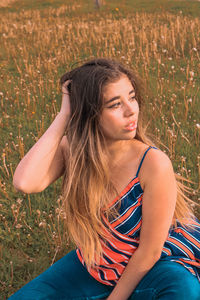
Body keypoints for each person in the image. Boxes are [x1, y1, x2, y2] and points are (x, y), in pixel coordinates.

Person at [9, 58, 200, 300]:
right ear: (90, 114)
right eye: (114, 104)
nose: (131, 110)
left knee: (184, 290)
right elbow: (25, 182)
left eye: (131, 97)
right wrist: (65, 114)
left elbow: (149, 252)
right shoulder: (74, 152)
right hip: (100, 259)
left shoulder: (153, 163)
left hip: (157, 262)